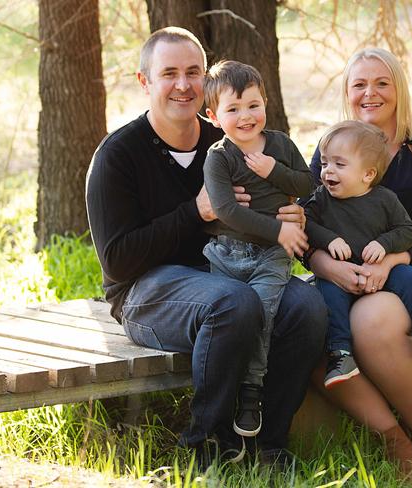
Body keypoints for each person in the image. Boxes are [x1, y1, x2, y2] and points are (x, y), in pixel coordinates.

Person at [85, 26, 327, 468]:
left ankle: (267, 444)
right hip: (145, 293)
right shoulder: (117, 156)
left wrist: (288, 216)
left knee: (306, 306)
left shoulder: (231, 138)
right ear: (146, 82)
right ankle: (205, 447)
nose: (183, 84)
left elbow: (278, 198)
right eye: (169, 73)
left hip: (226, 272)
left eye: (193, 72)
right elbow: (118, 262)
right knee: (233, 303)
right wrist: (195, 212)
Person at [307, 47, 412, 480]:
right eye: (359, 84)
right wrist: (328, 267)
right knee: (304, 322)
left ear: (398, 90)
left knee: (373, 320)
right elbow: (307, 224)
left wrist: (389, 262)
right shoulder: (331, 149)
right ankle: (393, 439)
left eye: (381, 83)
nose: (369, 93)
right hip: (342, 277)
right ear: (348, 92)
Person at [303, 120, 412, 390]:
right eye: (326, 163)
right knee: (327, 294)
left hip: (381, 270)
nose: (328, 170)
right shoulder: (320, 199)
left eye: (339, 165)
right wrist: (329, 239)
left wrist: (384, 244)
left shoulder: (384, 199)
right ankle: (340, 354)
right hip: (342, 275)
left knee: (409, 276)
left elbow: (407, 231)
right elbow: (305, 224)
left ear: (367, 174)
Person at [201, 60, 314, 437]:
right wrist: (279, 229)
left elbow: (308, 183)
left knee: (263, 315)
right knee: (231, 318)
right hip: (226, 253)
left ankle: (251, 393)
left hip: (270, 256)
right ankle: (223, 394)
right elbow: (226, 210)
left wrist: (273, 172)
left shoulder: (280, 144)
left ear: (266, 102)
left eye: (253, 105)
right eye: (233, 109)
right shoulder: (218, 157)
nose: (246, 116)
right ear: (214, 117)